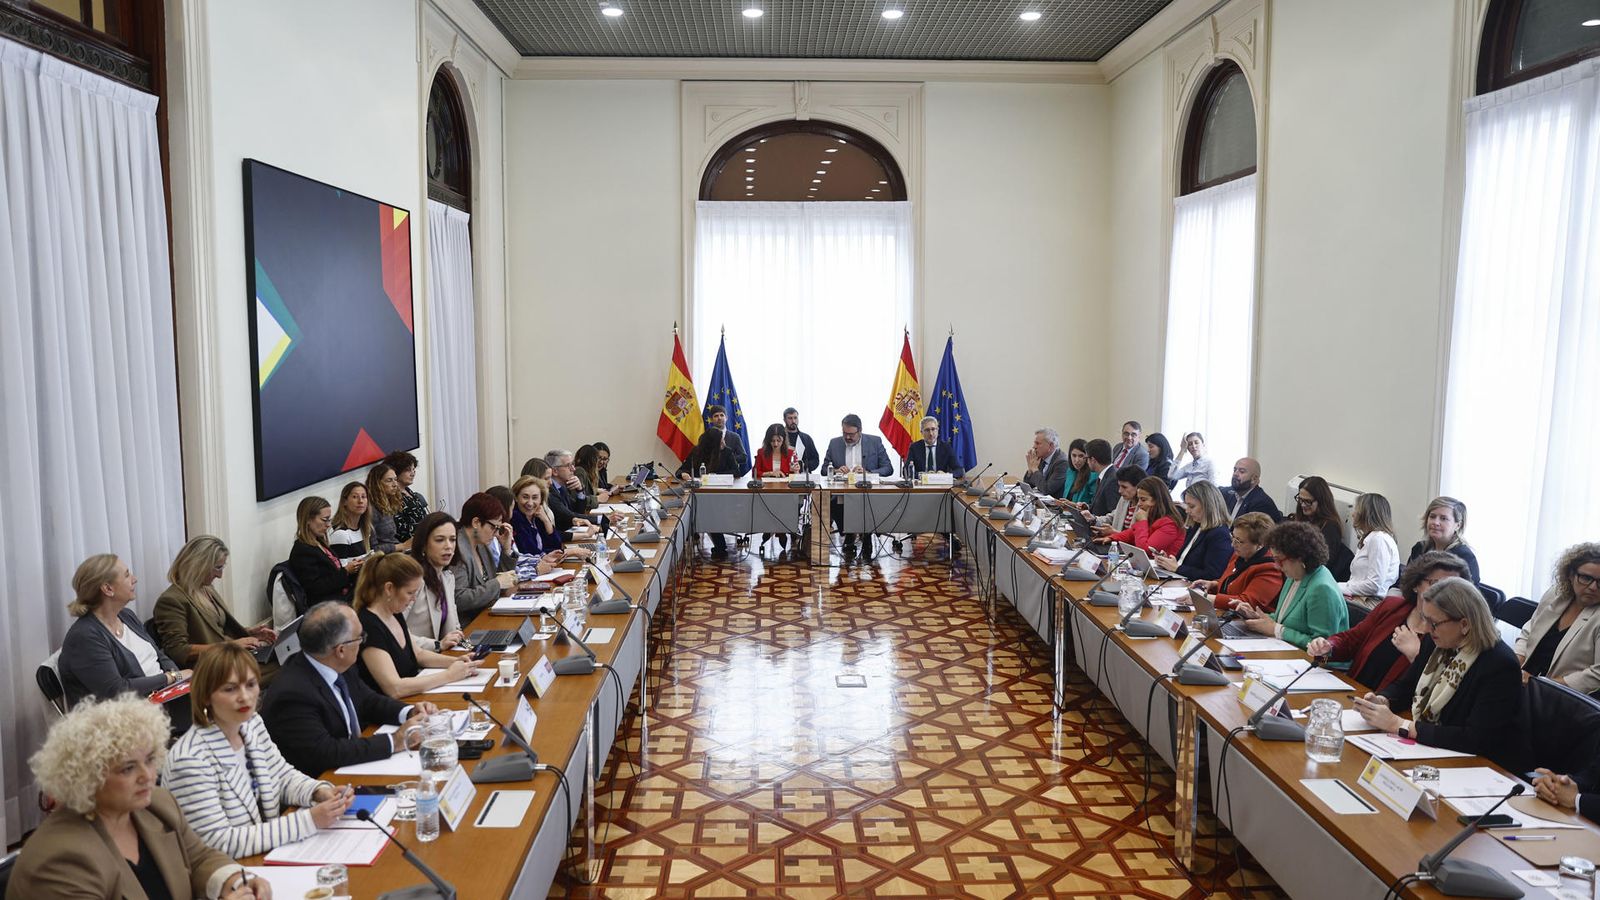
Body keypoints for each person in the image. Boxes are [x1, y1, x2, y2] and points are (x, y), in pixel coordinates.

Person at [15, 694, 268, 900]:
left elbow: (200, 858)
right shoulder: (60, 860)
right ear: (87, 777)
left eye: (149, 760)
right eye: (128, 768)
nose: (147, 776)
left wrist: (236, 882)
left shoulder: (156, 805)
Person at [164, 644, 353, 857]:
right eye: (230, 689)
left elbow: (281, 777)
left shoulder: (251, 723)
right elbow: (218, 843)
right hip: (231, 869)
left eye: (251, 684)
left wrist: (318, 792)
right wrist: (309, 820)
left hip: (264, 856)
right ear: (206, 695)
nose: (244, 697)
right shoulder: (190, 760)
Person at [1356, 578, 1529, 771]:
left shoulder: (1500, 665)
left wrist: (1400, 725)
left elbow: (1476, 738)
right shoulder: (1437, 642)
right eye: (1426, 619)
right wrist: (1383, 700)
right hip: (1431, 749)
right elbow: (1407, 685)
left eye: (1434, 623)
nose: (1427, 629)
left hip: (1474, 766)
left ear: (1465, 624)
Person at [259, 601, 437, 777]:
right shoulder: (292, 694)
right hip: (323, 780)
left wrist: (409, 712)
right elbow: (326, 751)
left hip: (351, 766)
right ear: (341, 650)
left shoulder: (334, 663)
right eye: (360, 637)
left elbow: (368, 701)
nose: (362, 642)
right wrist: (395, 741)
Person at [58, 555, 192, 730]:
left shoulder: (126, 616)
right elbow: (116, 691)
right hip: (124, 723)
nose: (134, 579)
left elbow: (159, 655)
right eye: (127, 575)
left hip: (162, 702)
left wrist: (176, 680)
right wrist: (172, 678)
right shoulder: (85, 637)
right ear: (108, 589)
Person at [1307, 552, 1471, 691]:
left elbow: (1441, 691)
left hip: (1394, 712)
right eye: (1436, 584)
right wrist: (1328, 647)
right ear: (1416, 584)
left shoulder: (1451, 633)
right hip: (1354, 694)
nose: (1444, 593)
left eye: (1453, 587)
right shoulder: (1391, 607)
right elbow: (1352, 640)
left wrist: (1416, 655)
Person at [355, 552, 480, 697]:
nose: (414, 599)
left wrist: (457, 661)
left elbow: (418, 654)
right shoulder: (368, 625)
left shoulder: (394, 613)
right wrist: (449, 675)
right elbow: (394, 688)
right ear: (389, 589)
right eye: (410, 593)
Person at [152, 535, 277, 670]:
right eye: (217, 568)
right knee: (282, 666)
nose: (220, 575)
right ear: (198, 565)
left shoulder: (206, 588)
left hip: (229, 659)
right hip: (210, 669)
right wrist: (231, 646)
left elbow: (217, 631)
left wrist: (250, 633)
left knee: (283, 658)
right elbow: (177, 651)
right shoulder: (171, 600)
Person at [1234, 521, 1348, 649]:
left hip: (1312, 659)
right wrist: (1257, 617)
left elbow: (1322, 647)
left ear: (1299, 557)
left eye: (1279, 560)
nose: (1277, 566)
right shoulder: (1295, 575)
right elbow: (1285, 619)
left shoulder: (1322, 589)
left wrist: (1277, 630)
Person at [1516, 543, 1600, 690]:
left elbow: (1597, 674)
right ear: (1570, 575)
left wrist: (1540, 685)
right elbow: (1530, 629)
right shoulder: (1556, 594)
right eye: (1586, 578)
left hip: (1559, 694)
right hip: (1523, 678)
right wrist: (1516, 662)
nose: (1593, 587)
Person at [823, 414, 895, 556]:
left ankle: (867, 535)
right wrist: (836, 470)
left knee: (868, 503)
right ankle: (849, 533)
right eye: (845, 433)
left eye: (851, 434)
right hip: (842, 491)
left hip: (868, 490)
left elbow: (888, 468)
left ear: (860, 431)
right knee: (833, 503)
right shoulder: (834, 443)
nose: (847, 437)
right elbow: (824, 469)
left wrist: (868, 472)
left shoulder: (874, 442)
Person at [1192, 512, 1285, 613]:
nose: (1233, 544)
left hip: (1246, 620)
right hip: (1225, 614)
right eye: (1233, 537)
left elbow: (1247, 602)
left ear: (1260, 544)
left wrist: (1205, 597)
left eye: (1239, 541)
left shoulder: (1270, 569)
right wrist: (1213, 585)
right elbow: (1232, 584)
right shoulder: (1240, 554)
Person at [453, 492, 519, 624]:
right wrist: (497, 584)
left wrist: (506, 550)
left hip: (487, 615)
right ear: (476, 522)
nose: (496, 534)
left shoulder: (481, 545)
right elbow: (459, 599)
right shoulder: (456, 549)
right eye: (494, 527)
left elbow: (502, 584)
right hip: (468, 625)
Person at [405, 511, 464, 653]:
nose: (448, 546)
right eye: (439, 540)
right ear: (423, 545)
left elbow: (454, 626)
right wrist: (437, 645)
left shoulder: (447, 577)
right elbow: (393, 631)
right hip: (413, 658)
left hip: (441, 655)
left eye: (452, 539)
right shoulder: (411, 579)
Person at [1153, 481, 1233, 582]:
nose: (1187, 511)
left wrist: (1177, 568)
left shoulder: (1220, 534)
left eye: (1191, 506)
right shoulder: (1195, 526)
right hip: (1179, 582)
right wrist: (1167, 562)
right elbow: (1183, 562)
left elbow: (1213, 575)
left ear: (1208, 506)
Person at [680, 427, 742, 557]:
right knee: (699, 508)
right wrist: (684, 474)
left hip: (721, 496)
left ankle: (719, 545)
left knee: (709, 509)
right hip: (699, 495)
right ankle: (716, 544)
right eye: (721, 440)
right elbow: (681, 470)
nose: (724, 442)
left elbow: (736, 472)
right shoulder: (697, 452)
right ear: (712, 443)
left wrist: (715, 476)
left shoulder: (727, 452)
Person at [287, 496, 357, 606]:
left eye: (329, 520)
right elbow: (316, 587)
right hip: (326, 605)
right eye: (324, 520)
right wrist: (346, 571)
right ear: (308, 520)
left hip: (340, 596)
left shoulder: (320, 542)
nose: (328, 525)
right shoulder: (302, 551)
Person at [1097, 476, 1185, 558]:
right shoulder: (1154, 516)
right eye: (1138, 499)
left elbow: (1145, 550)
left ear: (1157, 500)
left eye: (1143, 499)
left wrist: (1142, 521)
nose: (1139, 504)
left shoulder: (1170, 524)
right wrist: (1111, 538)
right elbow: (1131, 534)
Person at [1340, 493, 1401, 605]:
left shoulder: (1379, 539)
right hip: (1360, 598)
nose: (1353, 514)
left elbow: (1374, 585)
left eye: (1356, 510)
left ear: (1367, 514)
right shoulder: (1372, 538)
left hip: (1369, 602)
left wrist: (1339, 587)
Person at [1405, 496, 1481, 584]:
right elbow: (1404, 582)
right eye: (1432, 516)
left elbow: (1465, 592)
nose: (1435, 522)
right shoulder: (1419, 548)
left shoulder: (1465, 557)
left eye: (1443, 518)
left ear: (1458, 525)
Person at [509, 475, 572, 568]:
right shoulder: (515, 518)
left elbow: (556, 546)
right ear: (516, 498)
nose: (530, 503)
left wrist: (546, 521)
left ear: (541, 500)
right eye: (525, 497)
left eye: (535, 497)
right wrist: (570, 552)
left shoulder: (537, 516)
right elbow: (530, 552)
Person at [1290, 476, 1346, 565]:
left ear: (1321, 501)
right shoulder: (1300, 518)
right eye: (1300, 500)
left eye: (1308, 501)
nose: (1303, 505)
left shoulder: (1330, 527)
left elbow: (1324, 561)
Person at [383, 450, 430, 545]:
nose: (413, 473)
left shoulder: (410, 492)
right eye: (408, 470)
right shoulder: (392, 498)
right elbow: (401, 531)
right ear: (396, 472)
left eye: (413, 469)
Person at [545, 448, 596, 533]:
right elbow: (569, 515)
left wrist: (580, 490)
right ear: (555, 471)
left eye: (573, 464)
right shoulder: (550, 490)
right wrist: (601, 519)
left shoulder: (562, 487)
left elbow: (578, 511)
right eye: (568, 465)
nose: (573, 469)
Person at [1088, 465, 1146, 536]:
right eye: (1119, 486)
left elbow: (1139, 538)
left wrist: (1115, 533)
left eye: (1124, 487)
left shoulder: (1145, 507)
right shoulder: (1124, 500)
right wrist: (1093, 519)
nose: (1120, 491)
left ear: (1138, 487)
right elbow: (1113, 517)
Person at [365, 463, 407, 553]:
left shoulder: (387, 503)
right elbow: (372, 549)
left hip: (396, 552)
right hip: (385, 557)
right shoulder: (371, 510)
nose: (395, 484)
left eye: (395, 479)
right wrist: (402, 546)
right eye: (389, 480)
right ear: (377, 484)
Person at [327, 481, 372, 562]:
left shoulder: (365, 528)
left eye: (363, 497)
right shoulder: (340, 533)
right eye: (355, 497)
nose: (360, 501)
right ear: (344, 501)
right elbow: (341, 568)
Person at [704, 403, 750, 476]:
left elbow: (743, 457)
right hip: (710, 475)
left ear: (726, 418)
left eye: (722, 415)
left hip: (729, 475)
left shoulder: (735, 437)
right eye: (716, 416)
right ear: (711, 419)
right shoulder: (706, 436)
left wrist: (728, 459)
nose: (719, 418)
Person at [1022, 427, 1070, 497]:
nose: (1034, 447)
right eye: (1034, 443)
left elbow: (1047, 489)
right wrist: (1030, 470)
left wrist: (1035, 469)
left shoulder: (1062, 463)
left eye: (1037, 443)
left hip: (1056, 502)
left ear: (1051, 446)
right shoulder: (1041, 457)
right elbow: (1028, 485)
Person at [1083, 439, 1120, 516]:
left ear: (1093, 460)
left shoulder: (1113, 480)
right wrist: (1087, 506)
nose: (1087, 462)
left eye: (1087, 458)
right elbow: (1101, 506)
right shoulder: (1104, 475)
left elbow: (1113, 514)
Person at [783, 407, 821, 474]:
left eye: (795, 418)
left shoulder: (806, 438)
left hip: (803, 475)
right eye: (790, 418)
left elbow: (815, 460)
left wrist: (802, 465)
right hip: (784, 475)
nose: (793, 421)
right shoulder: (779, 438)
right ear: (784, 420)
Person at [1061, 439, 1096, 504]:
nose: (1077, 460)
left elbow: (1094, 504)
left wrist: (1074, 505)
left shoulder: (1093, 476)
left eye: (1081, 456)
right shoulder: (1070, 471)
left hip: (1080, 510)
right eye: (1074, 455)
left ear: (1087, 457)